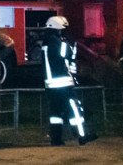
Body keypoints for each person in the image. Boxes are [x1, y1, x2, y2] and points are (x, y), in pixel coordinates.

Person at [42, 15, 96, 146]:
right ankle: (82, 136)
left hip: (51, 85)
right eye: (63, 29)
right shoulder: (56, 42)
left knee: (55, 113)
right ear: (58, 28)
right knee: (74, 109)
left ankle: (56, 139)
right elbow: (65, 53)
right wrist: (72, 45)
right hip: (63, 84)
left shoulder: (46, 42)